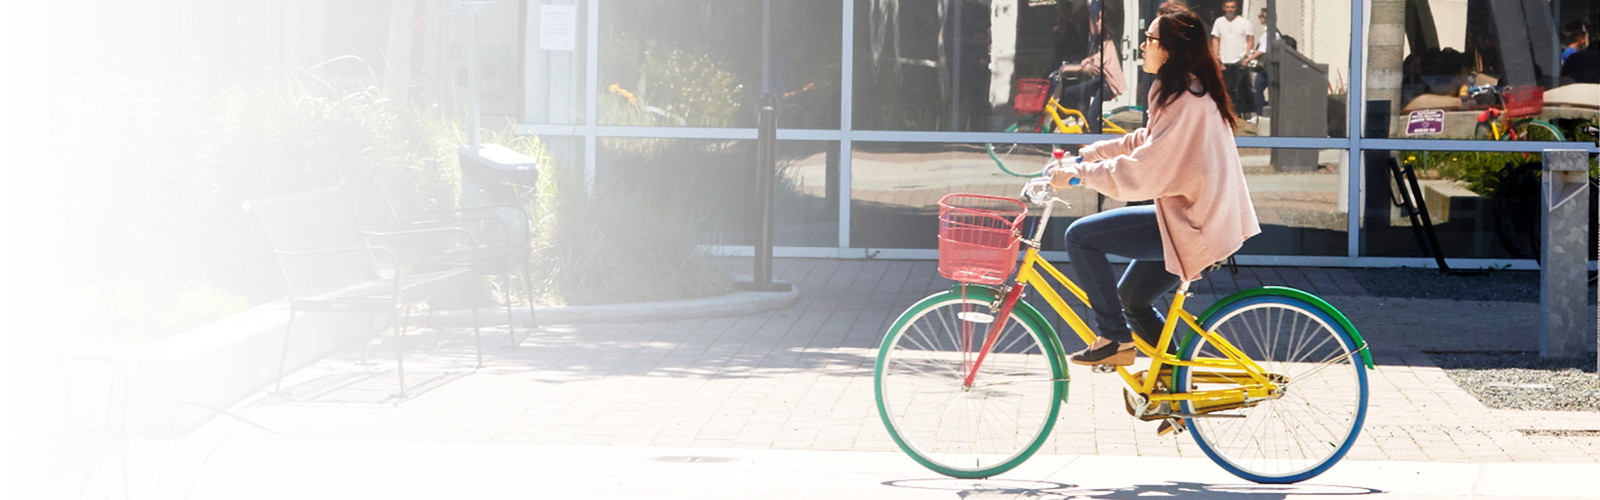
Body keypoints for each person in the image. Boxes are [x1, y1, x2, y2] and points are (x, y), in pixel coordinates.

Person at [1049, 1, 1262, 367]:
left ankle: (1113, 339)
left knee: (1079, 237)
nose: (1144, 45)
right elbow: (1147, 140)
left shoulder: (1187, 101)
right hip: (1193, 218)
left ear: (1172, 49)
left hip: (1194, 224)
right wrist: (1091, 154)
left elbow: (1144, 172)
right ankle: (1177, 390)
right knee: (1133, 298)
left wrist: (1078, 175)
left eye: (1151, 39)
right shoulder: (1181, 91)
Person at [1056, 0, 1125, 125]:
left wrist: (1070, 68)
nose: (1094, 23)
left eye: (1097, 20)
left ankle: (1092, 138)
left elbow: (1095, 66)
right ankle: (1080, 124)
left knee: (1092, 115)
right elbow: (1095, 57)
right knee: (1073, 91)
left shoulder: (1106, 41)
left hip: (1108, 84)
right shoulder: (1099, 40)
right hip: (1101, 80)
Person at [1210, 1, 1254, 118]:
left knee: (1242, 87)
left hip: (1240, 60)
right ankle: (1231, 111)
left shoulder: (1245, 23)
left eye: (1232, 7)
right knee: (1227, 88)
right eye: (1228, 7)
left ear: (1236, 9)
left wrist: (1246, 55)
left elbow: (1250, 40)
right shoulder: (1219, 22)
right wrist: (1216, 55)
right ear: (1224, 8)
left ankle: (1245, 111)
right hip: (1225, 60)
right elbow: (1215, 39)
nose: (1230, 9)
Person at [1239, 7, 1278, 122]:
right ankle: (1260, 113)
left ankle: (1260, 114)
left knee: (1258, 89)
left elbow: (1262, 50)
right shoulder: (1268, 32)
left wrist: (1248, 59)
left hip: (1267, 68)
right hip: (1267, 67)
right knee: (1259, 89)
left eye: (1261, 16)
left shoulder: (1270, 33)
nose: (1260, 18)